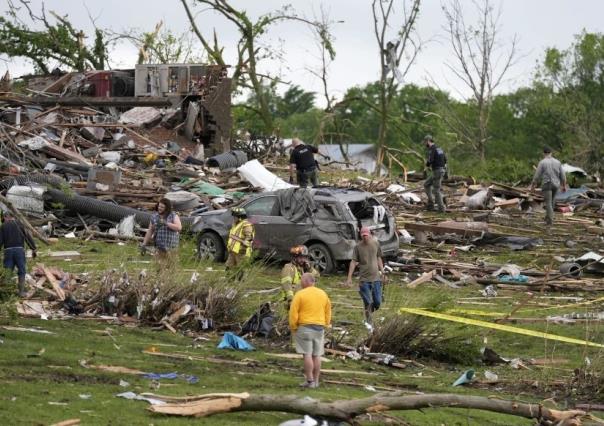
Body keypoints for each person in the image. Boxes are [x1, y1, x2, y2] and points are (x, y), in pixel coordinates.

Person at [289, 272, 331, 389]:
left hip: (305, 327)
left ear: (307, 281)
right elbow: (328, 310)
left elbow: (293, 312)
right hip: (319, 327)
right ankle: (316, 381)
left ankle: (309, 380)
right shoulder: (323, 294)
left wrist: (293, 326)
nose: (300, 282)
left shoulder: (300, 294)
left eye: (301, 280)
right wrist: (326, 324)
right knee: (317, 355)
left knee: (307, 354)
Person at [346, 226, 385, 326]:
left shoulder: (376, 244)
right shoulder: (358, 247)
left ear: (370, 234)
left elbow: (379, 258)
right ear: (361, 236)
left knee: (377, 302)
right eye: (363, 236)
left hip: (376, 277)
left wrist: (383, 272)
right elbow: (353, 262)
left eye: (366, 236)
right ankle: (368, 321)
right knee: (367, 301)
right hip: (364, 279)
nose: (365, 238)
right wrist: (349, 277)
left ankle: (369, 312)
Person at [0, 210, 37, 297]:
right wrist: (33, 248)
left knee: (8, 271)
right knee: (21, 271)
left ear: (6, 217)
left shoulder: (3, 226)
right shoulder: (20, 224)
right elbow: (28, 237)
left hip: (8, 251)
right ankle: (21, 292)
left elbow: (0, 241)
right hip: (19, 251)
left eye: (3, 218)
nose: (4, 220)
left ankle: (6, 293)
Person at [530, 146, 567, 226]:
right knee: (552, 202)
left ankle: (549, 221)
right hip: (556, 185)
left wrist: (533, 186)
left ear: (543, 153)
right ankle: (548, 217)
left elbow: (536, 176)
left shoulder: (542, 162)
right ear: (551, 153)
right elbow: (563, 176)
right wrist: (564, 186)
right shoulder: (558, 162)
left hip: (547, 184)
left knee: (548, 203)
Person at [142, 198, 182, 263]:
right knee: (159, 267)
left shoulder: (173, 215)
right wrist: (144, 244)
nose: (159, 208)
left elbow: (179, 227)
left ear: (167, 208)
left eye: (162, 207)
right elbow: (150, 231)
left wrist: (166, 223)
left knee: (172, 267)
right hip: (159, 247)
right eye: (159, 206)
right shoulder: (154, 216)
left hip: (171, 247)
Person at [422, 134, 447, 212]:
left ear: (428, 141)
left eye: (425, 142)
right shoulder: (439, 148)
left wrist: (426, 167)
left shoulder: (432, 149)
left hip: (437, 171)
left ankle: (441, 208)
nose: (425, 144)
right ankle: (431, 203)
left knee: (436, 190)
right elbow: (445, 159)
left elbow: (430, 160)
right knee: (426, 184)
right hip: (441, 170)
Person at [225, 207, 255, 272]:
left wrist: (244, 245)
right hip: (233, 250)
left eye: (235, 217)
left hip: (241, 251)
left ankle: (241, 281)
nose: (233, 218)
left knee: (241, 268)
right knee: (229, 266)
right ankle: (229, 280)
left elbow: (249, 238)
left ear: (240, 217)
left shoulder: (246, 225)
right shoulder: (236, 224)